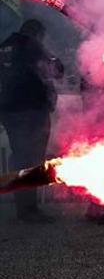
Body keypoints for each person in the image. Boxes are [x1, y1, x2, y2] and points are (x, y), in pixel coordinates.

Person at [0, 19, 63, 223]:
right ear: (38, 34)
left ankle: (22, 207)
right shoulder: (32, 45)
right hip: (31, 111)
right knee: (32, 159)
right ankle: (29, 210)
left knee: (19, 156)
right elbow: (57, 70)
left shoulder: (5, 47)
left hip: (10, 111)